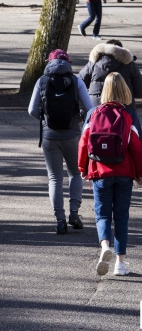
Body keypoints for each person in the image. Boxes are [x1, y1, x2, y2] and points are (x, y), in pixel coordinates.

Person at [78, 72, 142, 276]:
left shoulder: (93, 113)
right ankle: (120, 263)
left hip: (99, 171)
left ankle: (105, 245)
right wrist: (140, 173)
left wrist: (82, 168)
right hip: (124, 172)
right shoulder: (129, 115)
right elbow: (137, 147)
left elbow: (83, 143)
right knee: (122, 217)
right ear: (124, 90)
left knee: (103, 214)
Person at [28, 49, 93, 234]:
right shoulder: (76, 81)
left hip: (50, 137)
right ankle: (74, 213)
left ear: (50, 62)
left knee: (54, 178)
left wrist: (46, 119)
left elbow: (32, 110)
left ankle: (60, 219)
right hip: (72, 135)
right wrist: (78, 119)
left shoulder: (42, 80)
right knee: (75, 173)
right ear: (67, 63)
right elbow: (89, 109)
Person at [79, 39, 142, 110]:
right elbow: (140, 92)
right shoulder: (130, 65)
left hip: (96, 108)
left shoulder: (93, 63)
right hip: (124, 109)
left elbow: (79, 84)